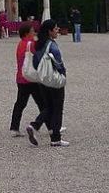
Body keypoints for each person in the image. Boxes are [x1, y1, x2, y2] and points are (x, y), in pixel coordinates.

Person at [26, 19, 68, 147]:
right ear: (50, 31)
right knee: (57, 108)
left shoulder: (39, 44)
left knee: (48, 107)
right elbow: (58, 63)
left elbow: (35, 61)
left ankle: (35, 125)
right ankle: (55, 138)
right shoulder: (52, 45)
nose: (57, 30)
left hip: (42, 79)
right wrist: (63, 74)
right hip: (53, 79)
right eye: (55, 29)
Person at [10, 24, 44, 136]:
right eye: (32, 31)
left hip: (21, 77)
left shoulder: (20, 44)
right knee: (43, 104)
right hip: (31, 79)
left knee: (20, 104)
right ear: (26, 33)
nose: (34, 33)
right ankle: (49, 126)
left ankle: (14, 128)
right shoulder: (31, 44)